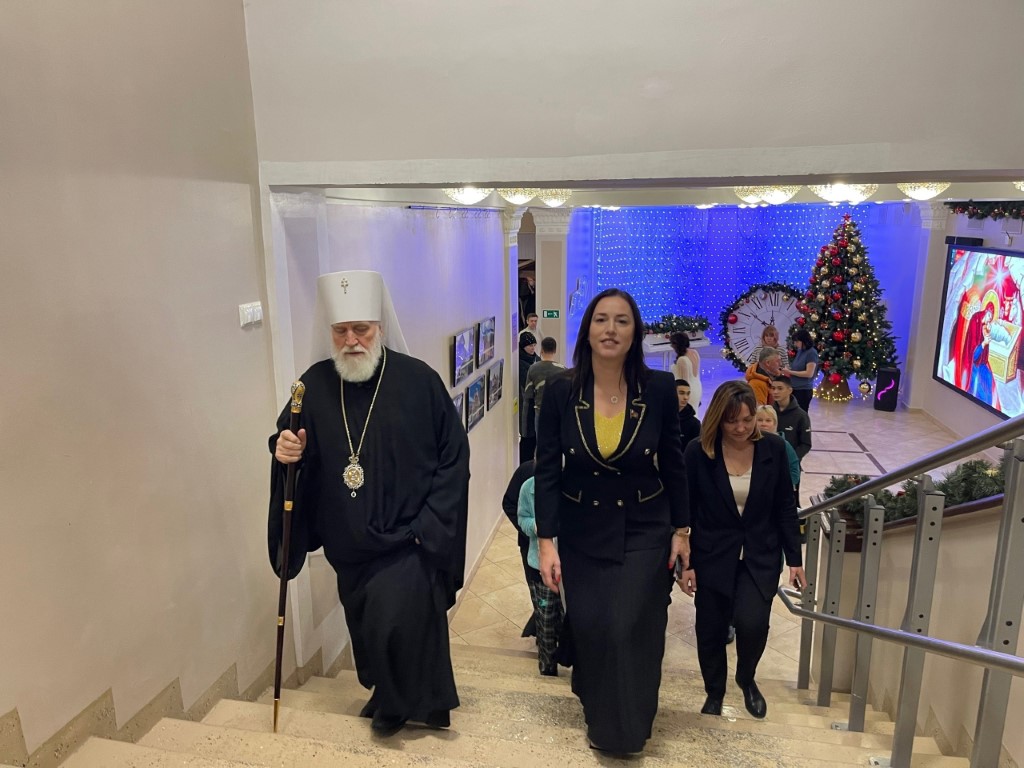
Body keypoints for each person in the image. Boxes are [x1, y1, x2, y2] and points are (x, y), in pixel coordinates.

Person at [268, 270, 470, 738]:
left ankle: (395, 709)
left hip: (408, 539)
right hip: (350, 544)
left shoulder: (419, 381)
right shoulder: (312, 386)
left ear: (379, 327)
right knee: (368, 628)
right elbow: (289, 441)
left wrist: (428, 526)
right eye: (341, 331)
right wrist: (284, 450)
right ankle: (395, 694)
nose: (351, 340)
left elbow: (454, 456)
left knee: (391, 623)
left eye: (361, 329)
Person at [535, 287, 689, 755]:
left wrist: (681, 530)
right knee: (594, 626)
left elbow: (674, 463)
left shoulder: (657, 389)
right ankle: (597, 705)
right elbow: (547, 469)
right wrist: (546, 541)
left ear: (634, 332)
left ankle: (625, 730)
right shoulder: (560, 391)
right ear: (587, 330)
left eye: (622, 320)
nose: (610, 329)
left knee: (628, 626)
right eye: (601, 319)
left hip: (644, 525)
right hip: (582, 528)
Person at [678, 381, 804, 720]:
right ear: (718, 418)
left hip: (760, 555)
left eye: (748, 420)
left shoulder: (774, 449)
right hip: (711, 555)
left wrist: (795, 558)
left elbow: (785, 506)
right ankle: (714, 691)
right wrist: (685, 565)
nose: (741, 428)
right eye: (732, 421)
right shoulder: (698, 452)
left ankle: (746, 678)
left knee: (753, 624)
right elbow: (685, 511)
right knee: (711, 629)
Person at [518, 474, 564, 676]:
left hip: (572, 567)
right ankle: (547, 667)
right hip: (540, 568)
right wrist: (537, 526)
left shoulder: (574, 483)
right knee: (545, 620)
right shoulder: (528, 488)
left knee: (571, 619)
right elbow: (522, 518)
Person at [502, 460, 539, 639]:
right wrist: (529, 531)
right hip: (529, 546)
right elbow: (509, 504)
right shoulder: (526, 472)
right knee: (539, 594)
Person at [522, 336, 565, 443]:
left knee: (541, 443)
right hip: (557, 413)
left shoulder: (533, 369)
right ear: (555, 350)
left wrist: (525, 428)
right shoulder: (563, 370)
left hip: (540, 412)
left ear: (541, 350)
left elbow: (528, 396)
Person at [755, 405, 801, 493]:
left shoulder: (783, 445)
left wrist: (783, 487)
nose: (763, 424)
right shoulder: (748, 443)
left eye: (768, 420)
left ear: (775, 423)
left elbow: (794, 471)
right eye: (759, 420)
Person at [781, 329, 819, 413]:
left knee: (800, 414)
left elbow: (809, 373)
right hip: (794, 388)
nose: (795, 344)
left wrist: (790, 372)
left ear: (804, 341)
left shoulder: (811, 353)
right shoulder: (800, 351)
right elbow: (797, 368)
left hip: (803, 390)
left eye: (797, 341)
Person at [518, 332, 540, 462]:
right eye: (529, 346)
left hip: (536, 405)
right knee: (528, 438)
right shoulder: (520, 364)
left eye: (534, 345)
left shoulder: (536, 359)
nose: (532, 348)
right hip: (526, 406)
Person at [670, 331, 703, 412]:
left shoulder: (682, 360)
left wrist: (683, 395)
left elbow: (684, 381)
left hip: (688, 391)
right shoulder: (694, 352)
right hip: (697, 387)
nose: (671, 346)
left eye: (672, 343)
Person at [676, 379, 701, 448]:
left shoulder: (694, 424)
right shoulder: (661, 418)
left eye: (688, 394)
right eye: (681, 393)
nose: (685, 397)